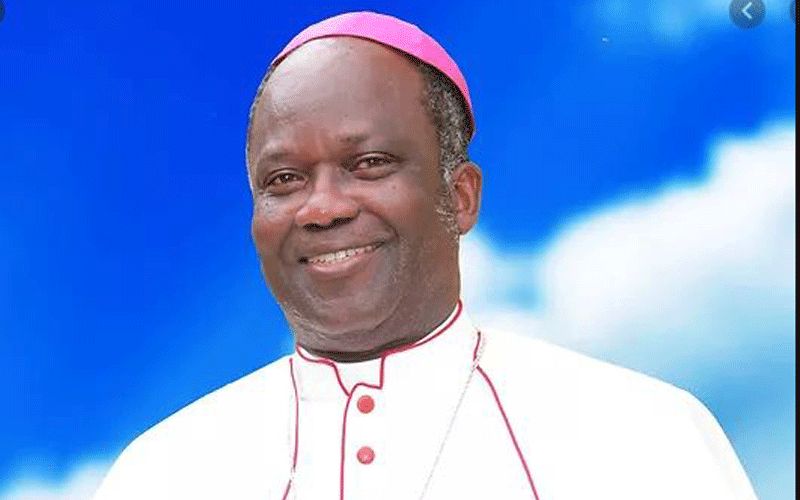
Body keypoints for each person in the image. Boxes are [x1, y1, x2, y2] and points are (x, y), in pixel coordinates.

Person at [93, 11, 758, 500]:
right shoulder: (161, 472)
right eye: (284, 180)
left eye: (369, 163)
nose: (321, 208)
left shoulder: (641, 438)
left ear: (460, 197)